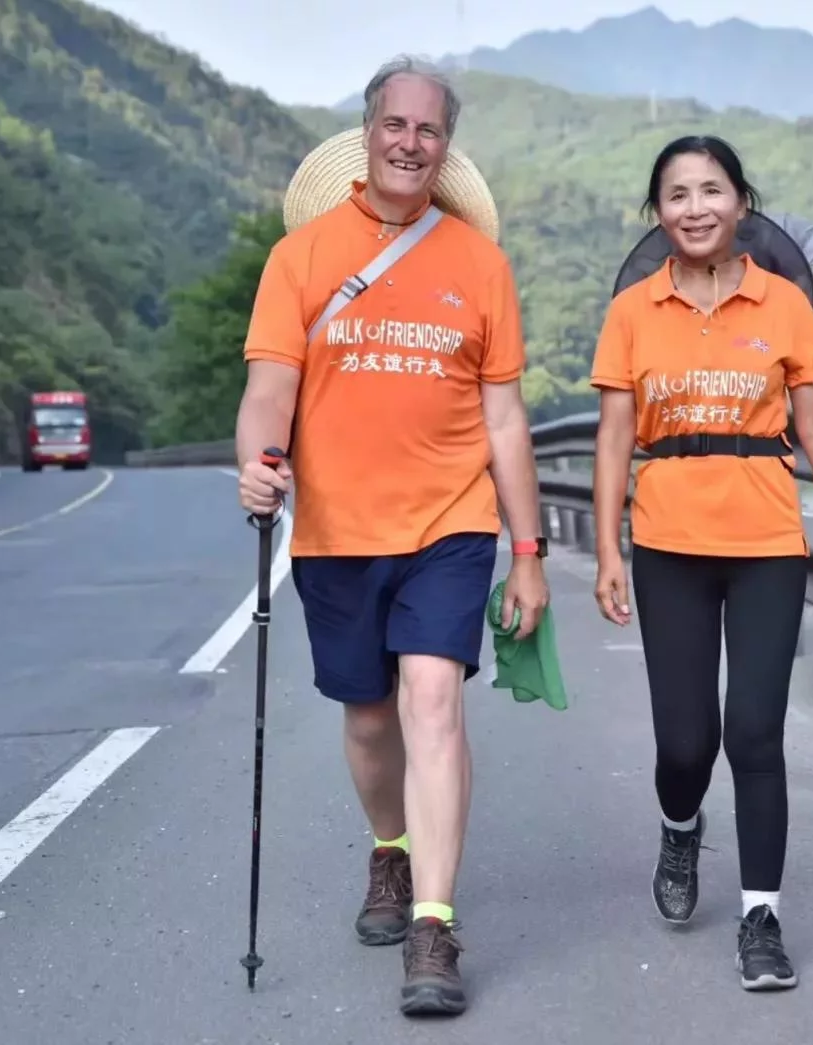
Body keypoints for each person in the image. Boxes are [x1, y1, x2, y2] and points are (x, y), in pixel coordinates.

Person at [234, 55, 549, 1018]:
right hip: (336, 528)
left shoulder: (480, 266)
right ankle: (392, 849)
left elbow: (505, 420)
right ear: (366, 134)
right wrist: (258, 460)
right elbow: (268, 390)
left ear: (445, 148)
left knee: (431, 701)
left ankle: (434, 924)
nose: (411, 142)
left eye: (430, 130)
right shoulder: (301, 260)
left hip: (451, 524)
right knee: (369, 718)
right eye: (396, 125)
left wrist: (528, 553)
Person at [589, 134, 813, 992]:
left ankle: (761, 917)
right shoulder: (633, 310)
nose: (696, 207)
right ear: (658, 213)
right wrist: (608, 545)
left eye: (712, 190)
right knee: (687, 741)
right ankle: (681, 825)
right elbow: (611, 438)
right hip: (669, 545)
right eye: (677, 194)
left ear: (741, 203)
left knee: (754, 731)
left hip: (765, 546)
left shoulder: (783, 302)